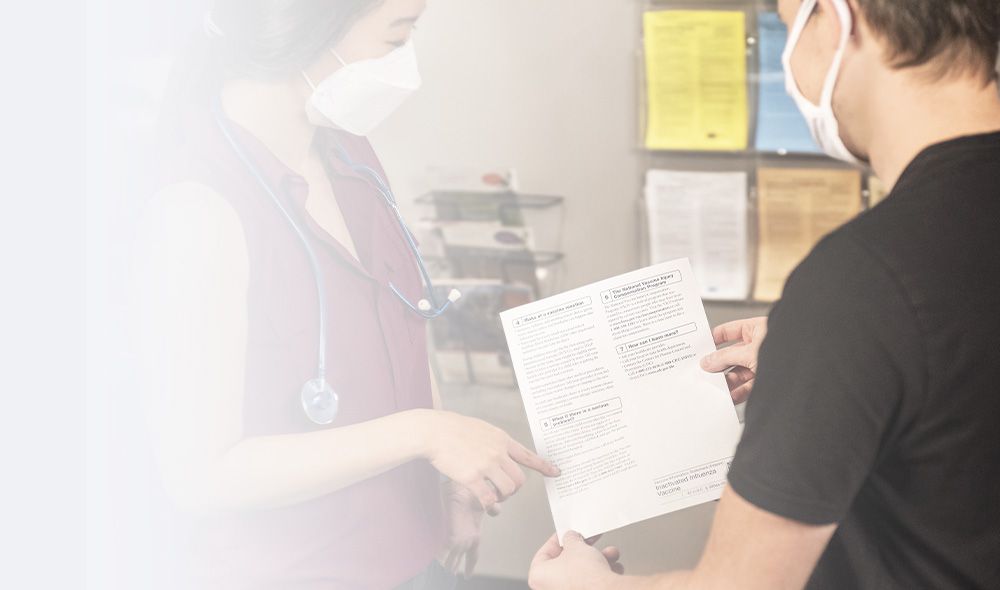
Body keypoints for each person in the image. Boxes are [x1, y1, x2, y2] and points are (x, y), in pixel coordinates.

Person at [527, 0, 1000, 588]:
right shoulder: (874, 298)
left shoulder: (862, 279)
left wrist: (587, 584)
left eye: (785, 22)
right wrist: (838, 352)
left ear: (837, 18)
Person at [132, 1, 559, 588]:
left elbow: (402, 321)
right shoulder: (196, 207)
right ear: (311, 26)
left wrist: (445, 480)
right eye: (397, 36)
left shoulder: (350, 156)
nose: (406, 63)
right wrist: (427, 434)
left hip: (412, 554)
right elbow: (202, 476)